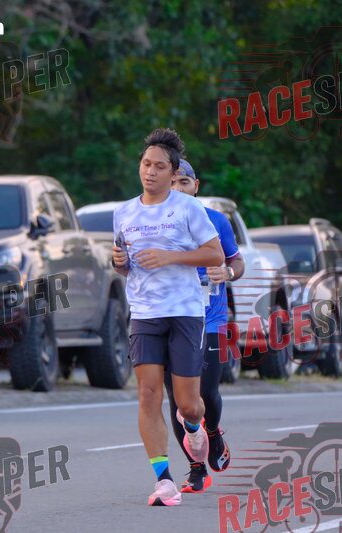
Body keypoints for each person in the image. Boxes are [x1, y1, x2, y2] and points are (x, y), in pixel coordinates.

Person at [111, 129, 225, 506]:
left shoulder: (188, 208)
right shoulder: (123, 212)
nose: (151, 172)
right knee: (148, 394)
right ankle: (163, 481)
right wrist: (118, 262)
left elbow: (215, 255)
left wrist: (170, 256)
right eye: (146, 164)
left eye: (160, 166)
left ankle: (194, 426)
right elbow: (124, 265)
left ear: (173, 172)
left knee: (188, 403)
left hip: (185, 312)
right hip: (145, 314)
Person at [163, 159, 246, 493]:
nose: (177, 189)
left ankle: (212, 432)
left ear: (195, 186)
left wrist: (227, 272)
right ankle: (196, 469)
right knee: (178, 400)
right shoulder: (155, 225)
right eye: (172, 183)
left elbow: (236, 261)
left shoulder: (216, 221)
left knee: (207, 391)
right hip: (171, 319)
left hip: (211, 319)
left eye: (184, 182)